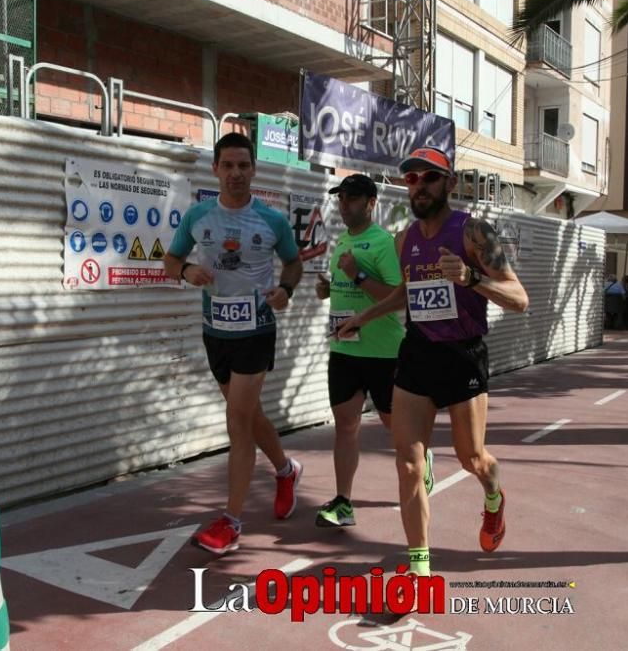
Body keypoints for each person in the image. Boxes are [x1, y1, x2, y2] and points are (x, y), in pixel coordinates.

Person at [336, 147, 529, 577]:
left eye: (429, 177)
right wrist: (362, 317)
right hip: (418, 352)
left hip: (463, 355)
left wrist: (471, 278)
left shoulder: (474, 233)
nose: (419, 186)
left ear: (450, 183)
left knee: (472, 458)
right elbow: (405, 292)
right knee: (408, 462)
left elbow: (519, 298)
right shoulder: (404, 240)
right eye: (411, 179)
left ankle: (494, 496)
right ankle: (419, 566)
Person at [163, 132, 304, 555]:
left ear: (254, 170)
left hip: (256, 331)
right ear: (216, 170)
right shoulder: (198, 216)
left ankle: (231, 520)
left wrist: (285, 289)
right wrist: (186, 271)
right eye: (228, 165)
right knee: (248, 412)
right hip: (215, 332)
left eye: (244, 165)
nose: (236, 173)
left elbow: (294, 263)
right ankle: (285, 469)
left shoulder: (272, 220)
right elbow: (170, 260)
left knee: (238, 420)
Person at [314, 174, 434, 528]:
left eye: (352, 198)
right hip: (344, 350)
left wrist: (356, 277)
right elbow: (343, 288)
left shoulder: (383, 243)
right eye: (341, 198)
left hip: (383, 354)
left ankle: (422, 461)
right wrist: (328, 288)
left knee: (397, 431)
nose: (344, 204)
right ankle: (343, 502)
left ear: (371, 203)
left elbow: (399, 299)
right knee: (346, 426)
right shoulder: (341, 245)